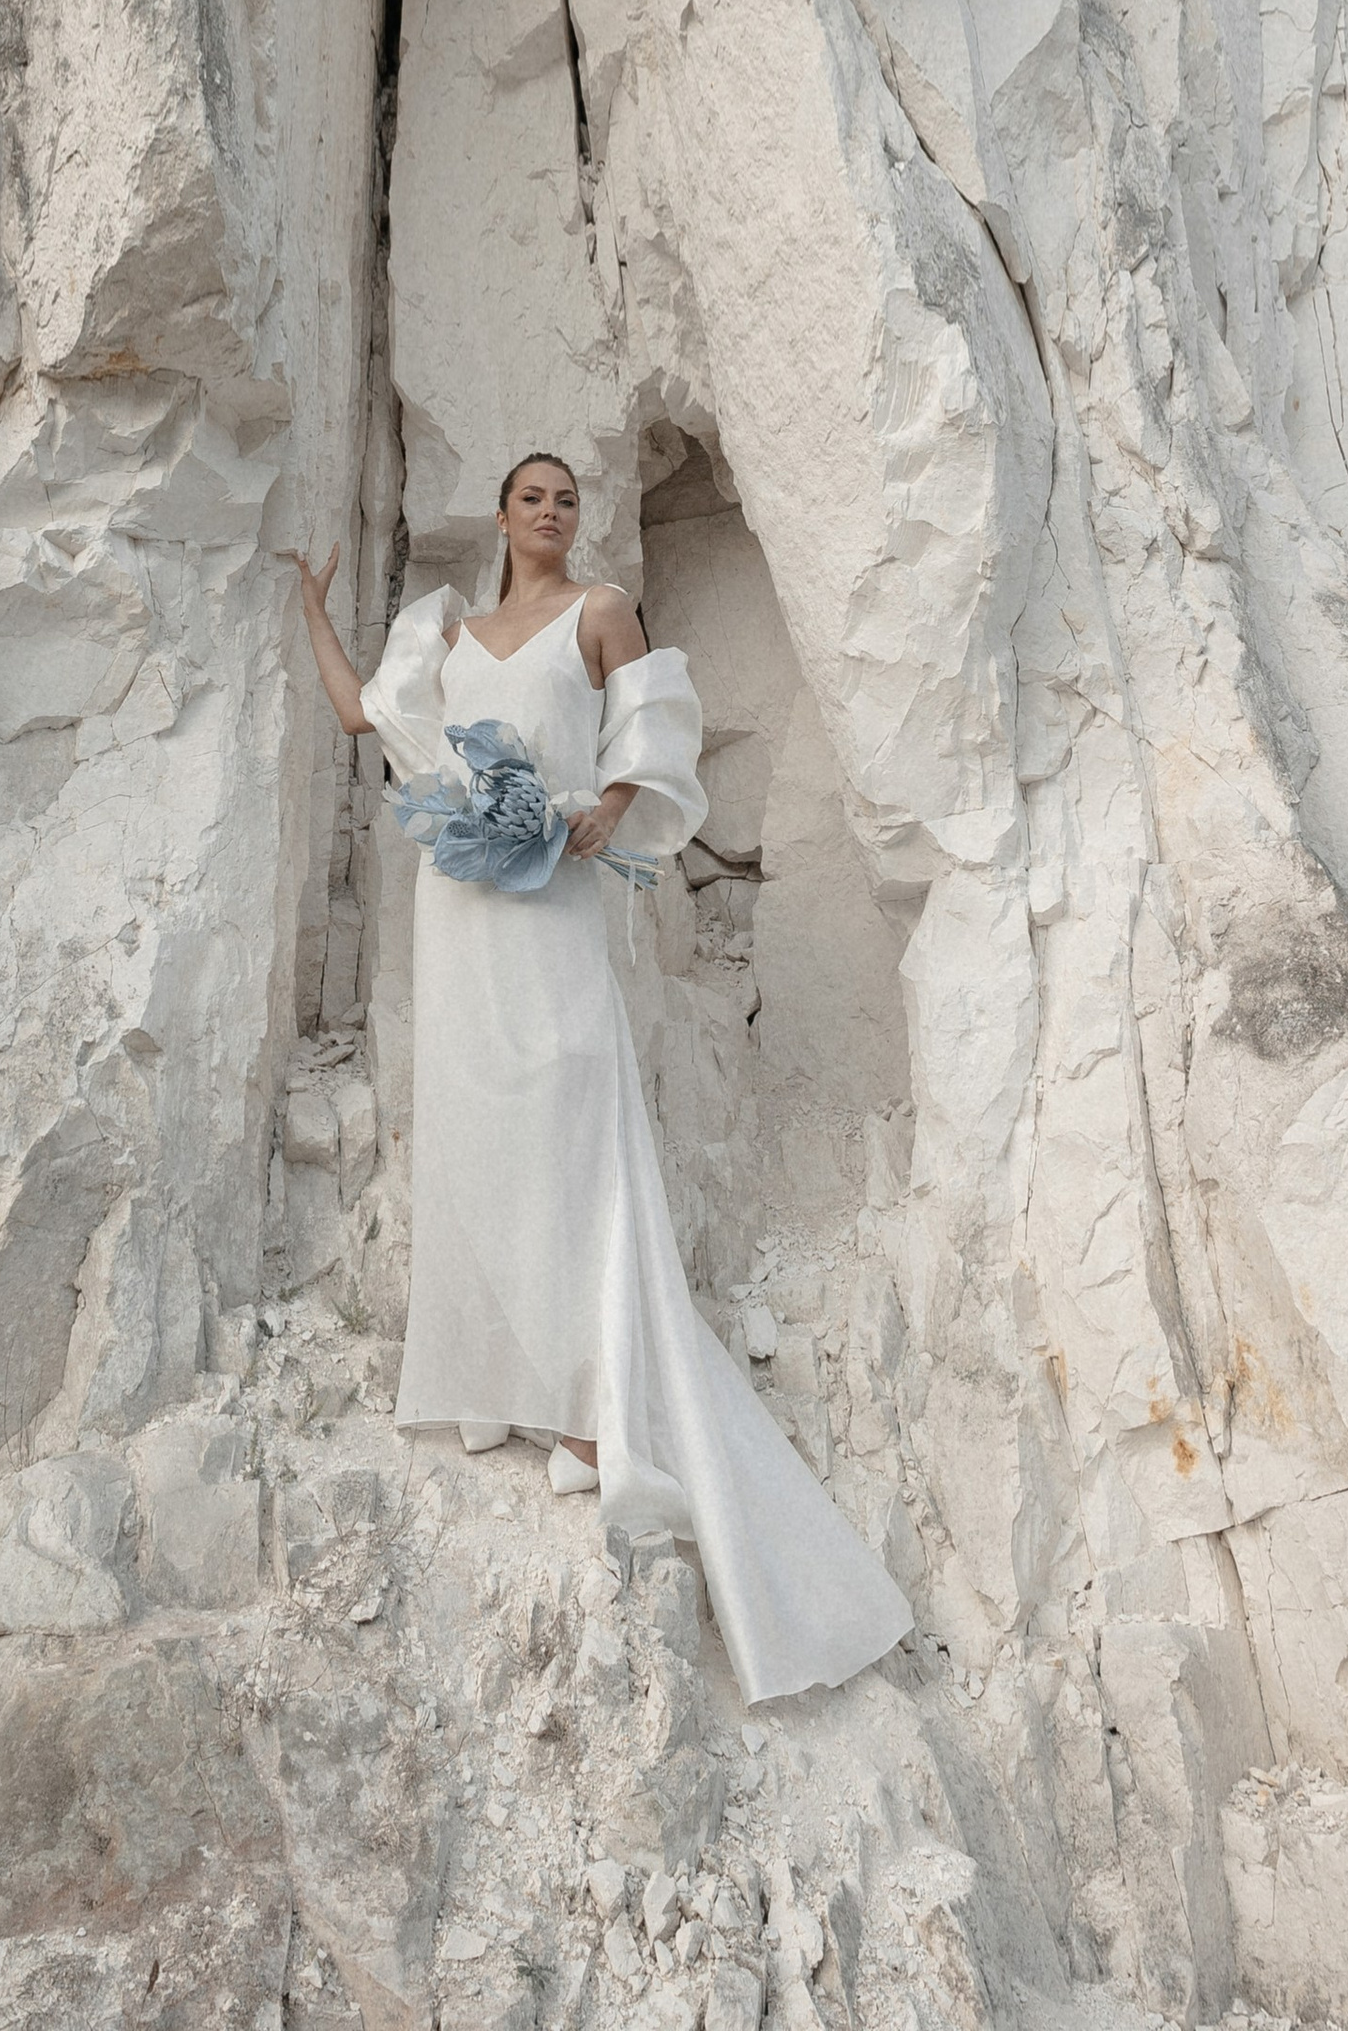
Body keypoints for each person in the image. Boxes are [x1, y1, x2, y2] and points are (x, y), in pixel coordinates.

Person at [283, 450, 911, 1706]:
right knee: (479, 1126)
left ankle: (594, 1395)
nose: (552, 512)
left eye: (567, 498)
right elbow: (368, 722)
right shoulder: (451, 629)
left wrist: (608, 806)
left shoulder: (603, 609)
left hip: (557, 901)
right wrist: (311, 608)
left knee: (572, 1112)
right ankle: (504, 1377)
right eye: (533, 496)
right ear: (503, 516)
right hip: (461, 906)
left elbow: (653, 734)